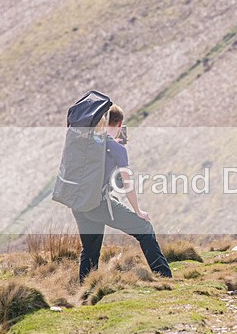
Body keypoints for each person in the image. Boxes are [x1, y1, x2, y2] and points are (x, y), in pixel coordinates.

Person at [72, 105, 172, 281]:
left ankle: (85, 292)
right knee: (145, 229)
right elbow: (127, 183)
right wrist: (138, 211)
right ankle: (164, 277)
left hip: (79, 203)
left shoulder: (88, 142)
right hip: (99, 204)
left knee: (90, 249)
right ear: (119, 124)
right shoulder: (116, 148)